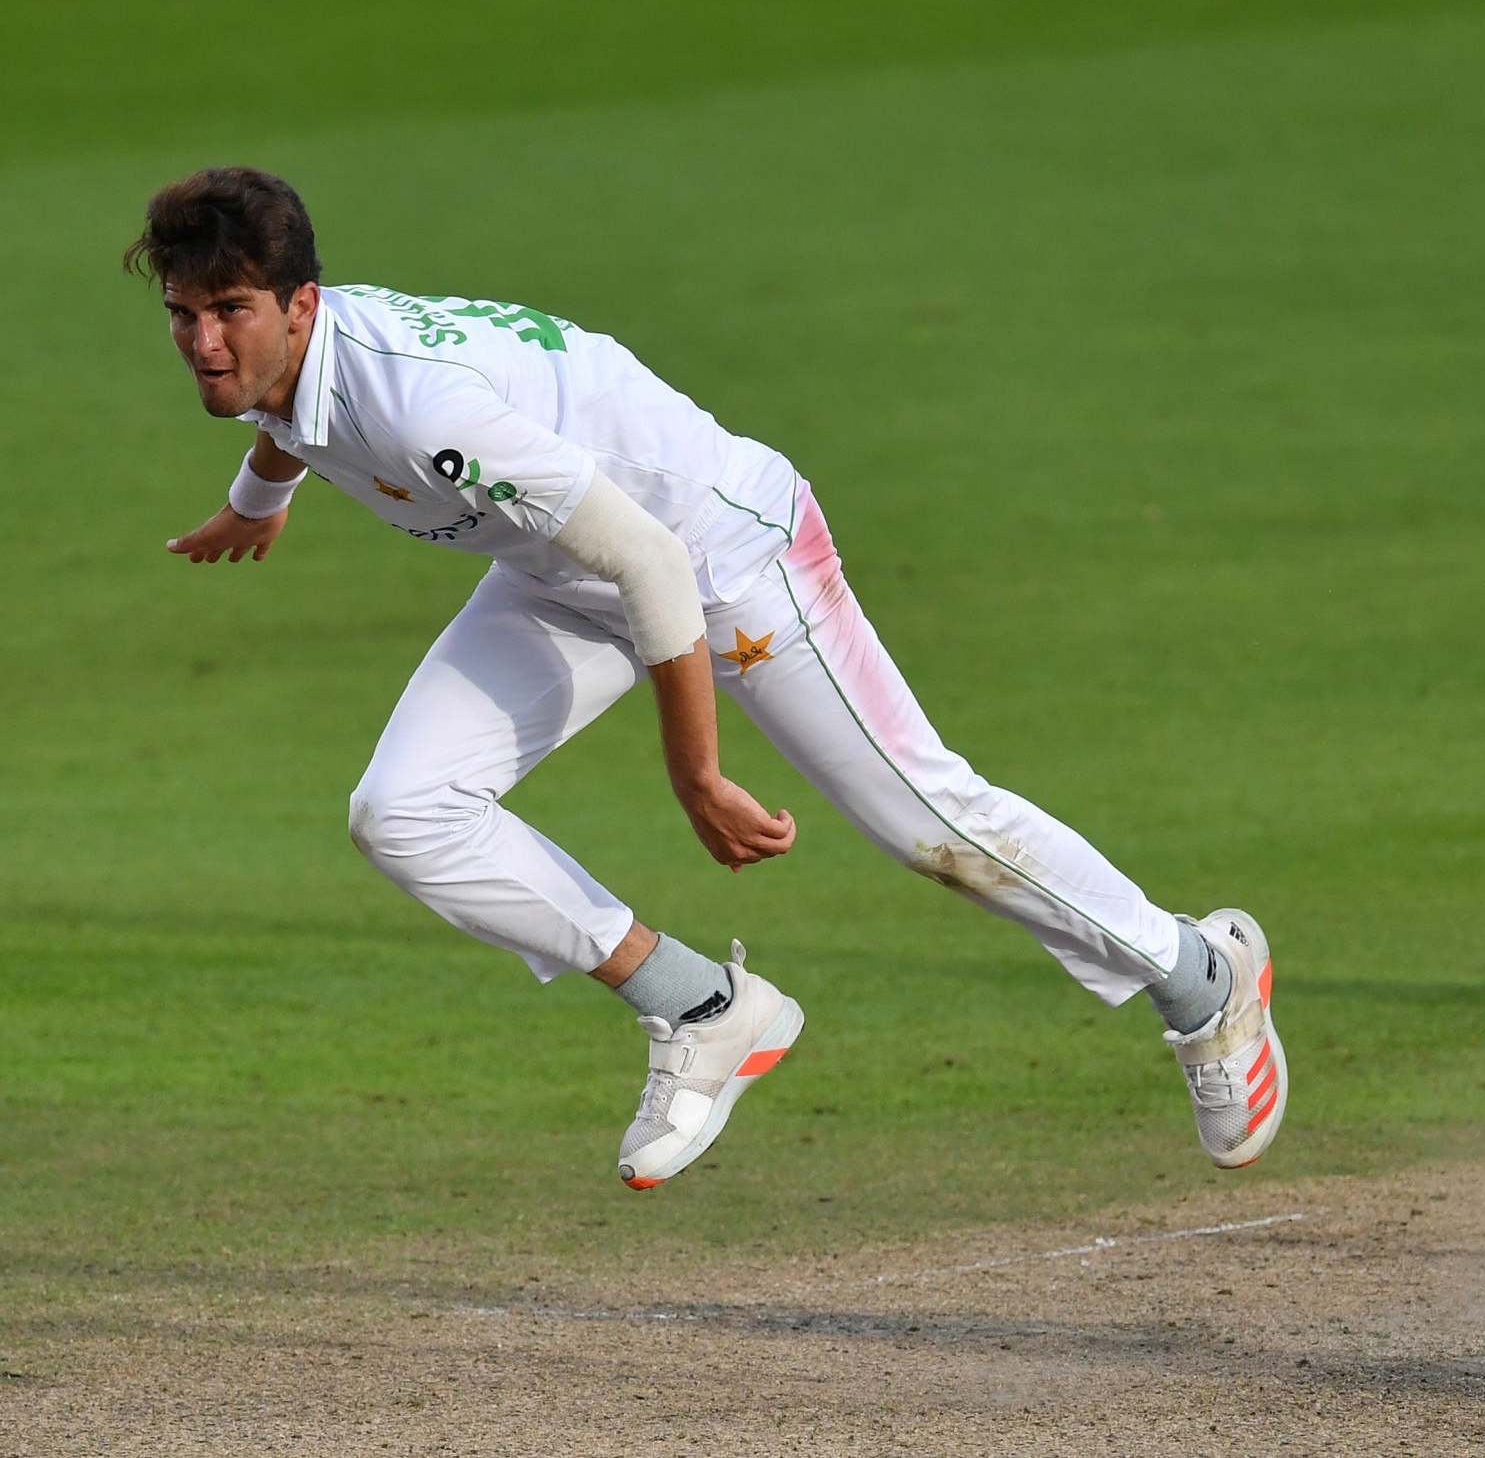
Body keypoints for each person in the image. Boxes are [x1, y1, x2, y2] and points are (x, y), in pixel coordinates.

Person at [126, 166, 1286, 1188]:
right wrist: (253, 505)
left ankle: (1200, 978)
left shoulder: (424, 407)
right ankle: (701, 1006)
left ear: (302, 304)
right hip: (558, 572)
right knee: (401, 813)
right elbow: (296, 417)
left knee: (928, 823)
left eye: (232, 311)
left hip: (722, 554)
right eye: (185, 314)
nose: (207, 343)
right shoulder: (302, 364)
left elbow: (652, 559)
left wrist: (698, 777)